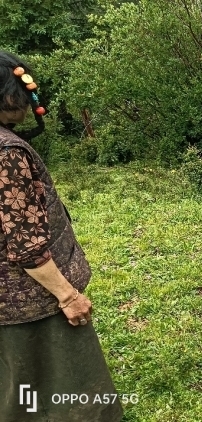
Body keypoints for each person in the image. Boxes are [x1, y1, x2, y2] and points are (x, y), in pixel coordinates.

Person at [0, 51, 123, 421]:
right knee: (60, 376)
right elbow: (25, 243)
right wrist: (67, 296)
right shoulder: (6, 153)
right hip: (28, 298)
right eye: (21, 94)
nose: (28, 103)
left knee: (17, 378)